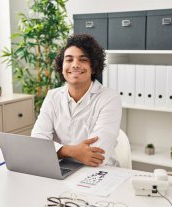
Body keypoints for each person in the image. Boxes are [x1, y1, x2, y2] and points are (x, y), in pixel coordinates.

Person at [31, 34, 122, 167]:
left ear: (94, 67)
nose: (75, 65)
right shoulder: (52, 96)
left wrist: (57, 151)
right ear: (62, 67)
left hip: (100, 171)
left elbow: (97, 155)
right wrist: (72, 152)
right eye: (69, 60)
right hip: (60, 168)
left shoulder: (109, 98)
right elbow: (37, 144)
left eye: (83, 60)